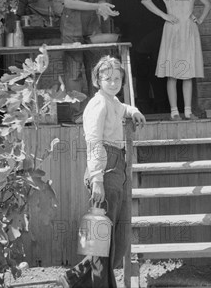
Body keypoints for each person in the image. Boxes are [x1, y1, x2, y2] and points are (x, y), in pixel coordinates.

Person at [58, 56, 146, 288]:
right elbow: (94, 142)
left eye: (117, 78)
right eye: (108, 79)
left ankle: (74, 278)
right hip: (105, 167)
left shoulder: (113, 102)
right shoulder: (98, 104)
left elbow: (122, 108)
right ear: (98, 80)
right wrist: (97, 179)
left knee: (117, 240)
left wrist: (133, 110)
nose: (113, 82)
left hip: (118, 167)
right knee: (101, 240)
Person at [141, 0, 211, 119]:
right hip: (172, 30)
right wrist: (164, 16)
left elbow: (207, 4)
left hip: (188, 30)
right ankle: (174, 112)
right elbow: (145, 0)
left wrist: (198, 19)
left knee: (188, 73)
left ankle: (187, 111)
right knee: (172, 73)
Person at [60, 0, 119, 119]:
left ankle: (97, 114)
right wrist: (97, 6)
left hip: (92, 26)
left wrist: (104, 10)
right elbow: (68, 1)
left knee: (96, 69)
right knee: (74, 72)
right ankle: (78, 116)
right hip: (72, 26)